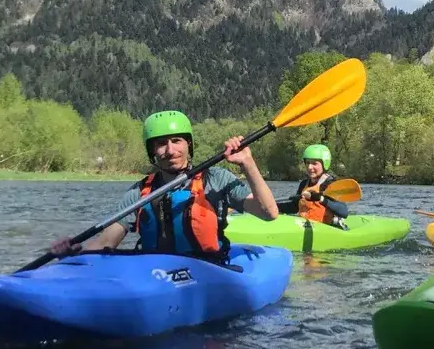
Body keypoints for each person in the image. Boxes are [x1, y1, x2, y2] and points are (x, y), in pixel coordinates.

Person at [50, 110, 278, 260]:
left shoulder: (216, 179)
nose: (170, 151)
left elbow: (269, 213)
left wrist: (248, 164)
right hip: (155, 272)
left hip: (207, 268)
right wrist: (73, 255)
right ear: (152, 152)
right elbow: (107, 241)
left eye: (176, 141)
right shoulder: (140, 192)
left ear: (188, 145)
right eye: (161, 144)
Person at [276, 143, 349, 227]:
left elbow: (344, 212)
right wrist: (273, 207)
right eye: (307, 163)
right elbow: (294, 207)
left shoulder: (331, 185)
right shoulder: (304, 184)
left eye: (314, 163)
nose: (309, 167)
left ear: (324, 164)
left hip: (324, 229)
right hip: (304, 226)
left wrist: (320, 198)